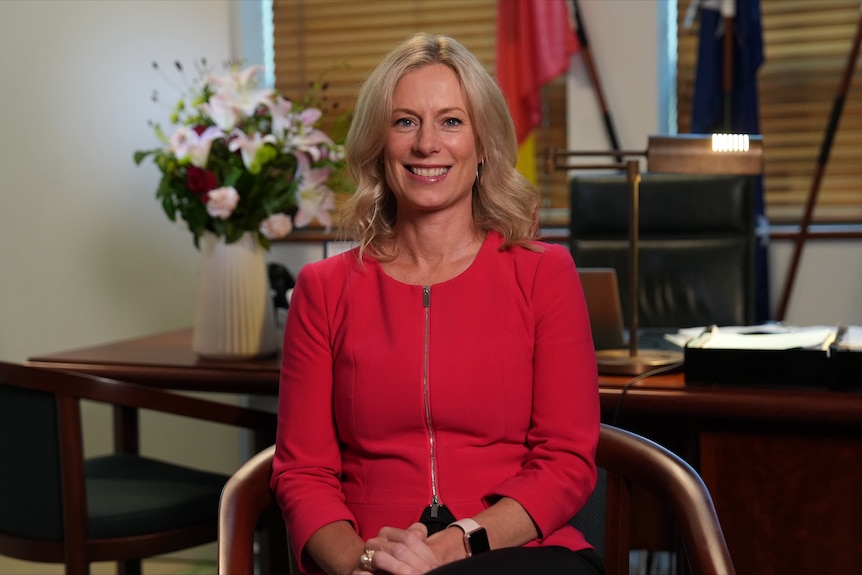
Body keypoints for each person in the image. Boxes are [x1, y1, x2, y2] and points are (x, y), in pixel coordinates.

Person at [270, 32, 602, 575]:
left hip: (513, 553)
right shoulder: (323, 288)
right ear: (379, 144)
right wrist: (362, 561)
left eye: (451, 121)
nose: (427, 144)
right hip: (372, 555)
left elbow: (564, 461)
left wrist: (454, 546)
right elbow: (302, 472)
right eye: (405, 121)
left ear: (484, 142)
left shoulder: (544, 273)